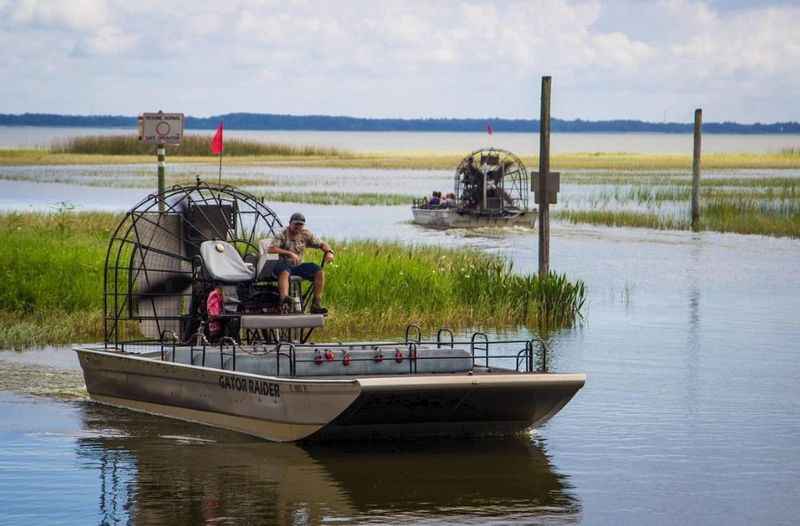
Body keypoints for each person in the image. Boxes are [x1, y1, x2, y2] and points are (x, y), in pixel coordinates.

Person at [266, 212, 335, 314]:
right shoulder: (282, 233)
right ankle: (284, 299)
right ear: (290, 224)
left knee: (318, 271)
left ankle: (316, 304)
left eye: (300, 224)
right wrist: (289, 253)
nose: (298, 227)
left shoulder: (306, 234)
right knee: (284, 271)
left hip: (297, 266)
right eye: (296, 224)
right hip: (281, 265)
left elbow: (322, 244)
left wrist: (329, 252)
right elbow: (271, 249)